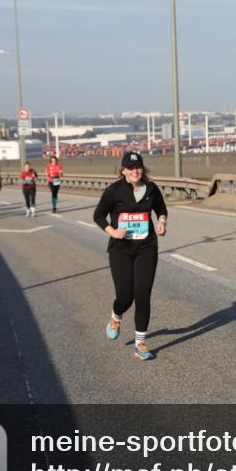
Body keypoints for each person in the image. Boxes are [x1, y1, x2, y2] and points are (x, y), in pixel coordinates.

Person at [93, 151, 168, 362]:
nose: (135, 171)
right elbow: (98, 215)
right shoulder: (114, 191)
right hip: (121, 249)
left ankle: (140, 343)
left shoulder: (151, 189)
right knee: (126, 297)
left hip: (146, 247)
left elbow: (161, 209)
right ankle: (116, 316)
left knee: (143, 294)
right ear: (123, 170)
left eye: (138, 167)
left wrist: (162, 222)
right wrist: (111, 231)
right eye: (131, 168)